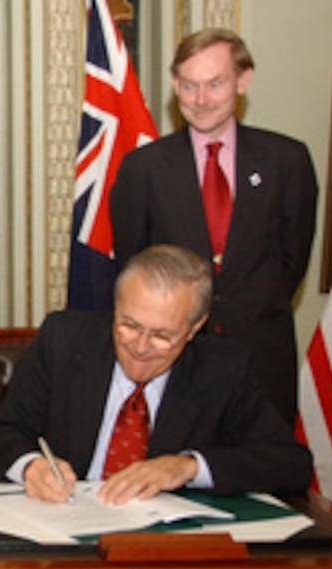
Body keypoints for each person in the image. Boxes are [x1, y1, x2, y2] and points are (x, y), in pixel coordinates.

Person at [0, 244, 311, 569]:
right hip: (57, 556)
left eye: (162, 335)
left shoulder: (226, 368)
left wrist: (187, 465)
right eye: (129, 325)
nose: (140, 346)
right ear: (114, 308)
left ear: (195, 327)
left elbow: (290, 462)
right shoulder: (63, 339)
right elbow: (5, 435)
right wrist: (30, 466)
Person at [110, 28, 318, 429]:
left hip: (261, 356)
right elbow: (132, 266)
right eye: (189, 86)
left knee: (263, 477)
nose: (200, 99)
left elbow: (291, 264)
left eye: (214, 84)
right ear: (175, 84)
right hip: (174, 358)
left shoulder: (287, 161)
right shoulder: (143, 169)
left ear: (243, 80)